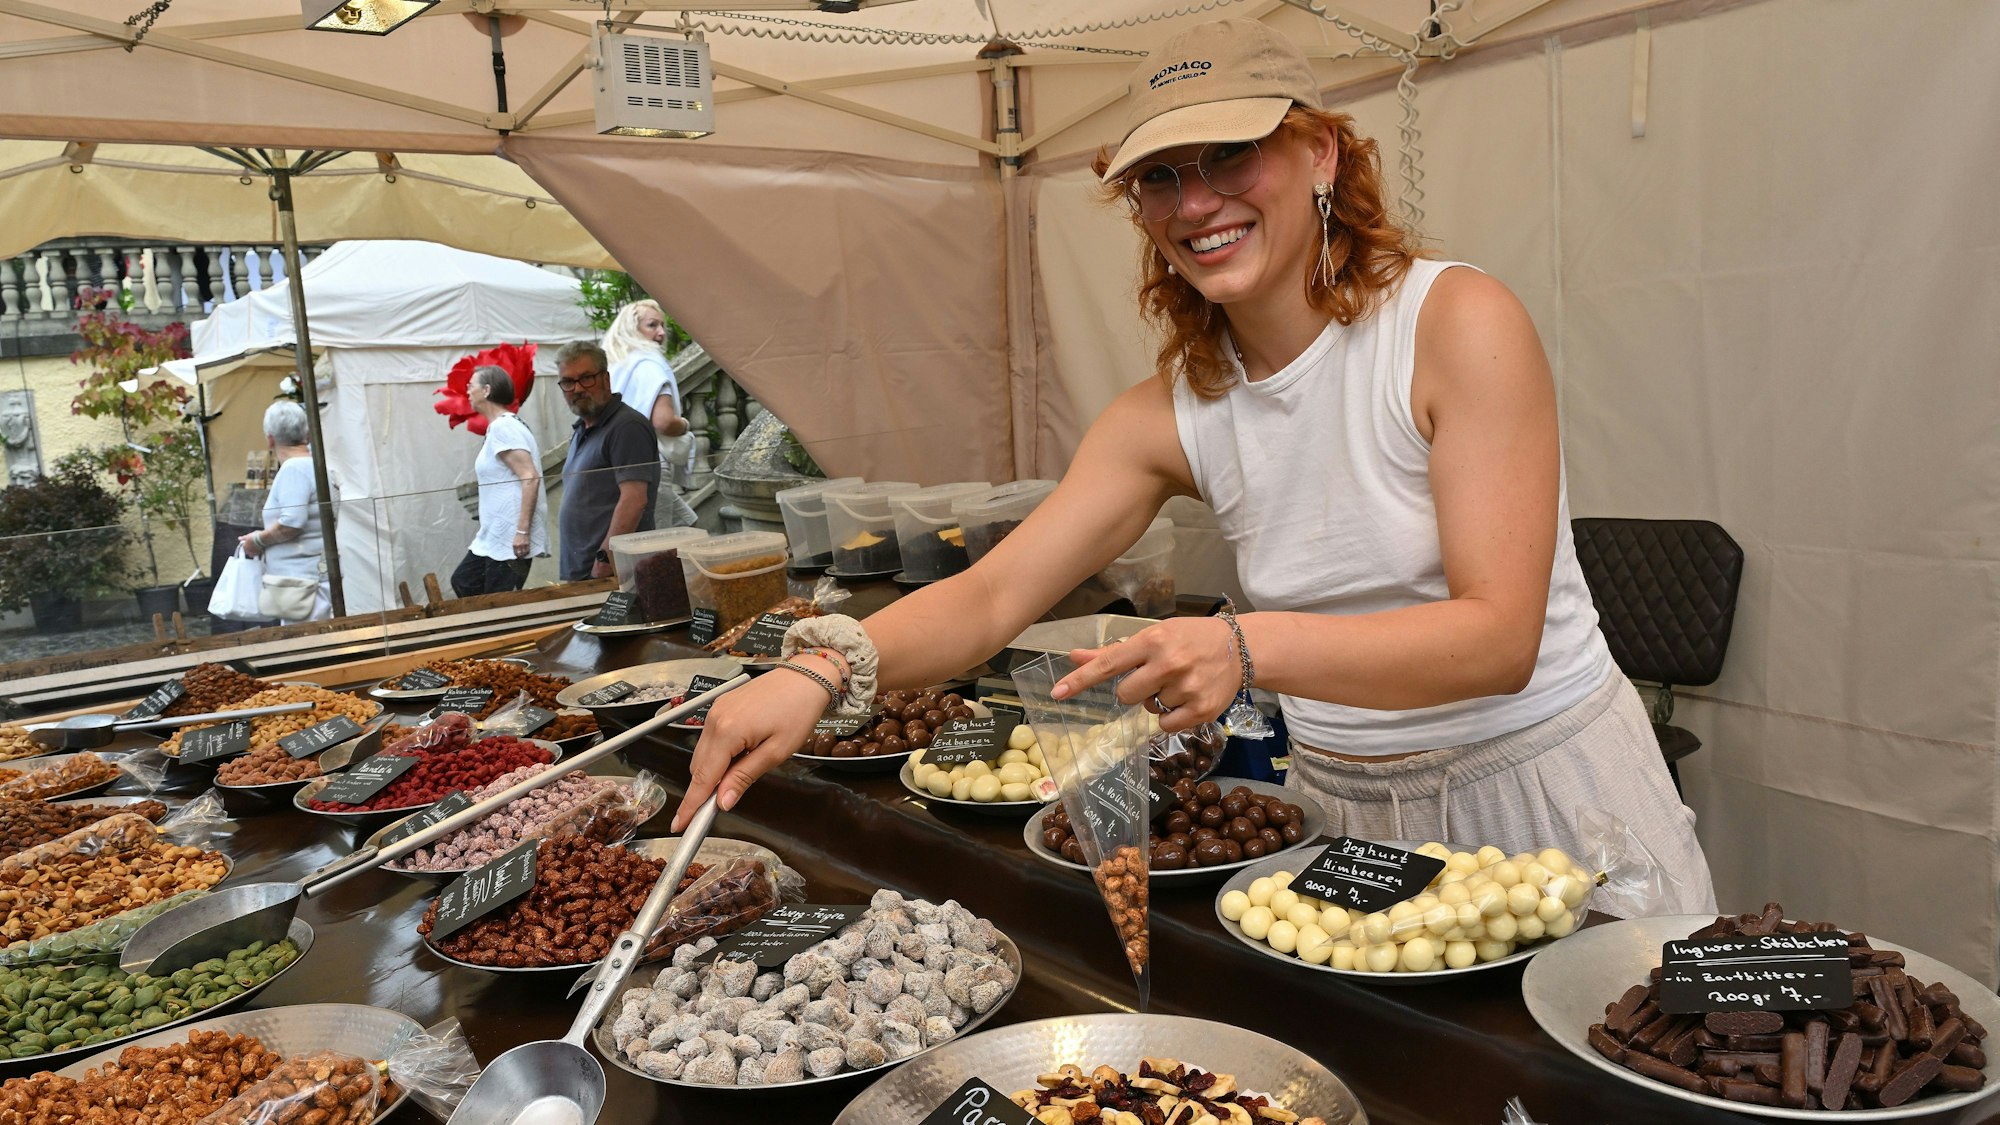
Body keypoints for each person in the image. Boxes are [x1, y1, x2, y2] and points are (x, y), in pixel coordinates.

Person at [673, 18, 1715, 913]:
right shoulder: (1168, 413)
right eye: (1158, 178)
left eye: (1228, 156)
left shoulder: (1452, 324)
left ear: (1319, 154)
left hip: (1532, 787)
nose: (1193, 202)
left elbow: (1495, 638)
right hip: (1342, 816)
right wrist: (819, 668)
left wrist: (1242, 648)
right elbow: (992, 594)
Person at [555, 341, 660, 581]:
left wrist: (605, 561)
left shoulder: (626, 427)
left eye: (586, 378)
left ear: (606, 379)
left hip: (612, 574)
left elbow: (634, 500)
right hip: (585, 574)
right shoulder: (583, 428)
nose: (578, 388)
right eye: (568, 382)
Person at [451, 365, 548, 597]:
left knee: (500, 602)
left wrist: (522, 531)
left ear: (486, 390)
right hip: (494, 533)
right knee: (465, 581)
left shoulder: (504, 426)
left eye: (470, 386)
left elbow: (530, 477)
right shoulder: (500, 426)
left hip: (510, 536)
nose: (467, 391)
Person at [602, 300, 700, 529]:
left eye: (662, 326)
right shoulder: (650, 365)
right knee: (659, 545)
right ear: (632, 330)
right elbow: (664, 422)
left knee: (688, 524)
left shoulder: (618, 365)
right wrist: (684, 424)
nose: (661, 332)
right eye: (652, 325)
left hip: (622, 461)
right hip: (652, 462)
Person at [237, 400, 333, 621]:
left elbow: (292, 522)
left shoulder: (294, 469)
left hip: (299, 583)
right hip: (311, 576)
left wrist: (257, 541)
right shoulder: (316, 465)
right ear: (306, 434)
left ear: (270, 438)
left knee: (305, 646)